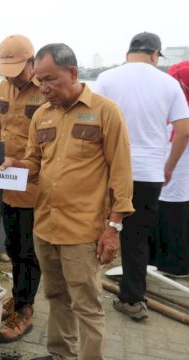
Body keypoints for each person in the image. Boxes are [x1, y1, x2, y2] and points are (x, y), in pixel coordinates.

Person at [0, 43, 134, 360]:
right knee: (56, 296)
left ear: (72, 73)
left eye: (50, 80)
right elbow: (34, 165)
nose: (43, 88)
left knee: (86, 305)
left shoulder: (105, 112)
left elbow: (122, 175)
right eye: (40, 81)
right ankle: (60, 354)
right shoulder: (42, 117)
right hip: (45, 226)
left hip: (84, 231)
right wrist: (11, 164)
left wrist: (113, 228)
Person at [94, 32, 189, 321]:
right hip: (149, 173)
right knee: (137, 238)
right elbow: (184, 130)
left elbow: (91, 125)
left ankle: (86, 295)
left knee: (96, 230)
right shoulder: (169, 83)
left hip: (109, 171)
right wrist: (169, 165)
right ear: (155, 54)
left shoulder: (106, 79)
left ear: (128, 53)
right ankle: (133, 299)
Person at [0, 34, 45, 343]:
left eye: (19, 69)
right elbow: (0, 126)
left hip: (33, 184)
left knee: (27, 250)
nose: (13, 76)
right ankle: (18, 296)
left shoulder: (45, 90)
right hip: (4, 181)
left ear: (33, 63)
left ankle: (26, 309)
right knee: (11, 246)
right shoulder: (1, 88)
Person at [155, 61, 189, 278]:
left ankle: (174, 265)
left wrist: (168, 166)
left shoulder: (180, 111)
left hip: (176, 172)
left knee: (173, 212)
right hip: (179, 175)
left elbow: (181, 135)